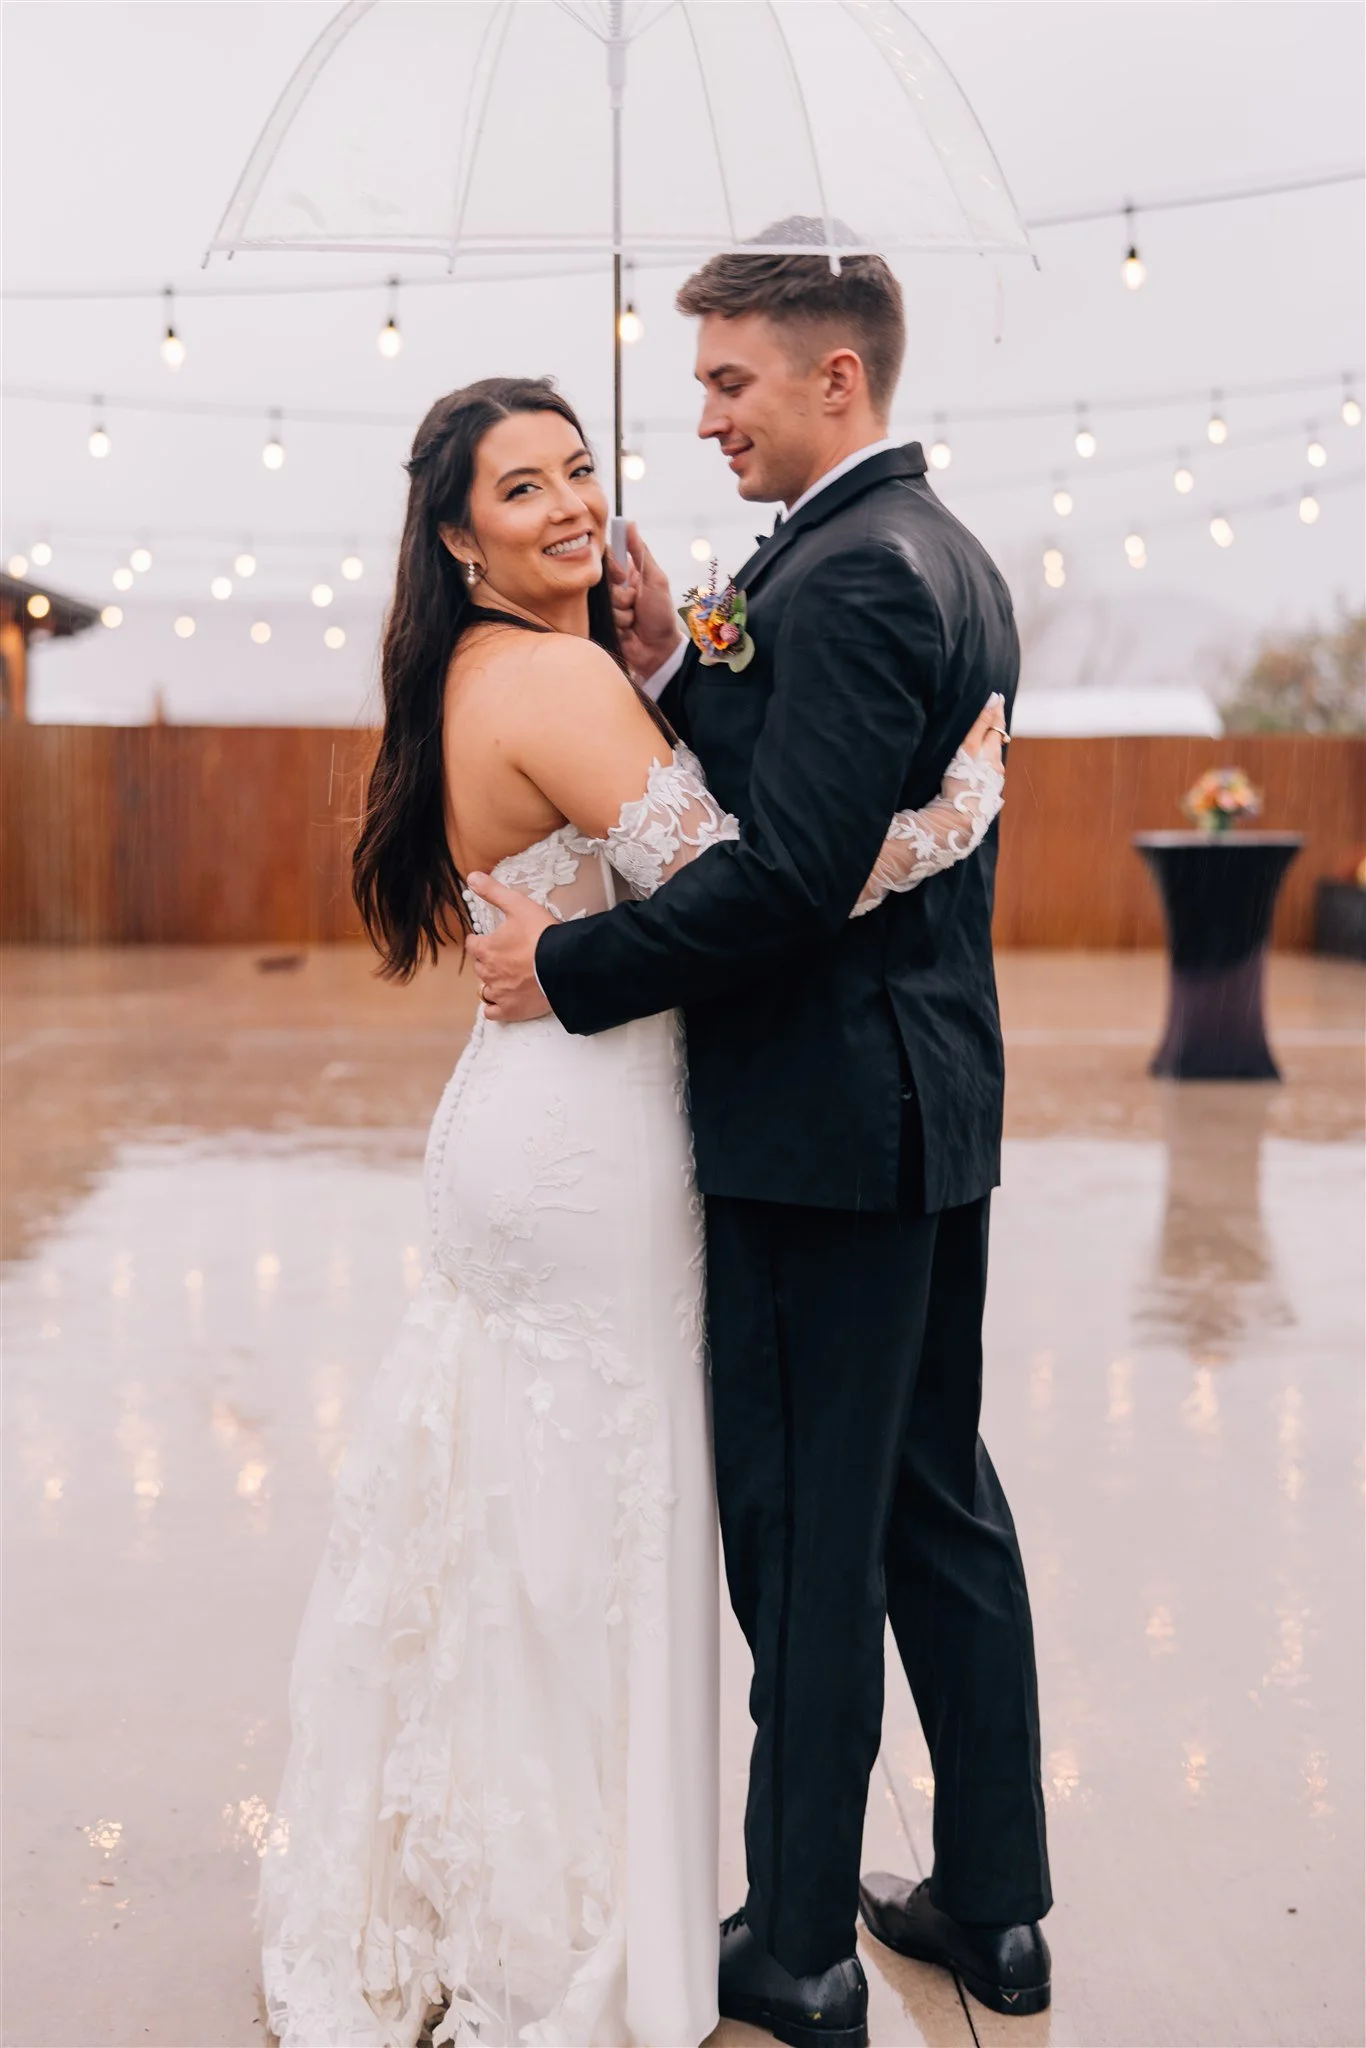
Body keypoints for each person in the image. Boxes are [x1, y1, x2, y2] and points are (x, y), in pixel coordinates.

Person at [258, 368, 1006, 2048]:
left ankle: (487, 1861)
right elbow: (752, 886)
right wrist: (938, 822)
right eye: (522, 490)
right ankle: (581, 1892)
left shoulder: (476, 670)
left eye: (582, 469)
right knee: (595, 1510)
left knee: (511, 1501)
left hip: (514, 1121)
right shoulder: (550, 678)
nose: (573, 504)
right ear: (457, 540)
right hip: (592, 1132)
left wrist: (664, 656)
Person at [469, 223, 1053, 2044]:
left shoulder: (858, 572)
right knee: (934, 1502)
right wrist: (684, 659)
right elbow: (816, 776)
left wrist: (569, 967)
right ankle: (996, 1908)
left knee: (808, 1540)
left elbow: (791, 871)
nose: (702, 415)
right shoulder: (916, 550)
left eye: (726, 379)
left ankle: (793, 1945)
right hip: (923, 1110)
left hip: (820, 1127)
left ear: (835, 378)